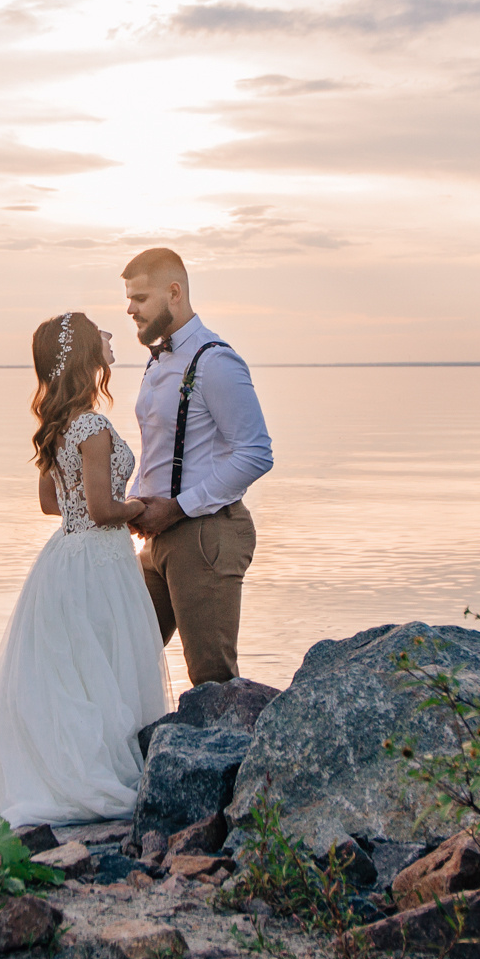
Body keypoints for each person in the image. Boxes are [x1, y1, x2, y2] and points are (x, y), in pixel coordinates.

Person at [0, 312, 171, 826]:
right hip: (100, 559)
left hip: (64, 560)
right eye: (99, 333)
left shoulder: (57, 426)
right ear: (83, 357)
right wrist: (139, 507)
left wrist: (100, 504)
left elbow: (52, 504)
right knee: (105, 665)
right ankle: (97, 775)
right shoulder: (93, 427)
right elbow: (101, 510)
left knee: (74, 670)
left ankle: (61, 768)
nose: (109, 338)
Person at [122, 248, 273, 686]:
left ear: (174, 293)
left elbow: (255, 452)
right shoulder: (158, 361)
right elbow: (161, 451)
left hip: (205, 535)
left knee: (210, 678)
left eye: (141, 298)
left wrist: (179, 507)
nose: (131, 309)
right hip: (155, 541)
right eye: (128, 299)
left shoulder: (215, 361)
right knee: (123, 657)